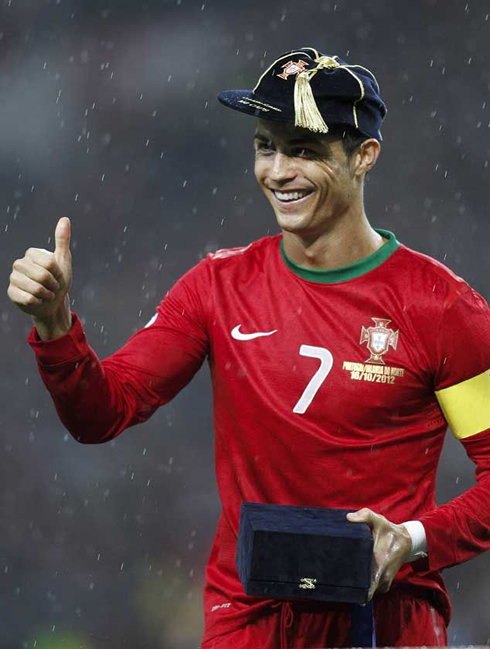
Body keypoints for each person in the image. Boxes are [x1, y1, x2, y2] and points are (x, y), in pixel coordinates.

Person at [7, 47, 490, 648]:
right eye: (267, 146)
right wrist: (56, 326)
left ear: (364, 156)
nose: (279, 170)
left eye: (305, 151)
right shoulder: (217, 287)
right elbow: (102, 414)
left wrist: (412, 539)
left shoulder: (442, 309)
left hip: (385, 623)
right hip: (249, 624)